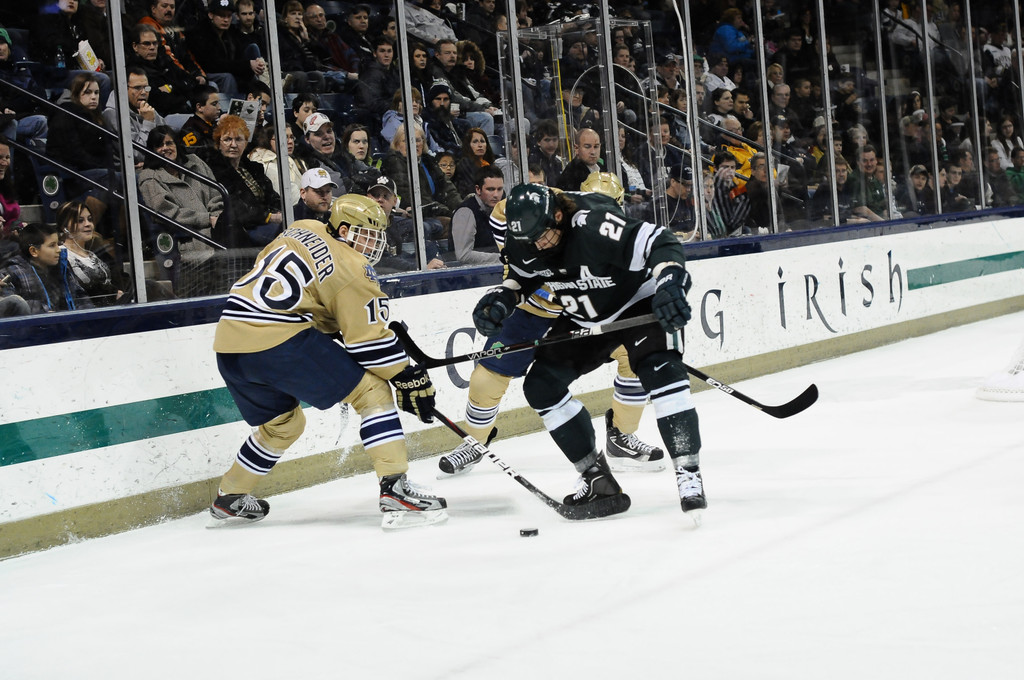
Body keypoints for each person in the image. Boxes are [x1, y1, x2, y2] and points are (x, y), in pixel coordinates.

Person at [466, 183, 705, 520]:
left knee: (660, 370)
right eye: (530, 239)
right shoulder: (524, 238)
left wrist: (669, 283)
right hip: (583, 315)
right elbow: (524, 277)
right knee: (541, 386)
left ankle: (688, 474)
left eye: (543, 235)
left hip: (637, 304)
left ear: (559, 215)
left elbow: (660, 241)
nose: (537, 244)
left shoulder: (594, 223)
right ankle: (596, 479)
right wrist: (502, 299)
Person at [208, 194, 447, 529]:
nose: (375, 243)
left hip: (230, 343)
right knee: (373, 393)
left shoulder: (303, 227)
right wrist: (406, 375)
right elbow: (368, 345)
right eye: (368, 234)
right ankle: (395, 486)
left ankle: (230, 495)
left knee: (283, 425)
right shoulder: (353, 268)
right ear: (345, 230)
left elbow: (291, 283)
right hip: (280, 342)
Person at [437, 178, 668, 479]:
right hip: (529, 310)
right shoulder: (516, 212)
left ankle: (621, 435)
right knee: (487, 378)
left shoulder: (611, 228)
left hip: (583, 310)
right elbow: (517, 260)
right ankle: (474, 441)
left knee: (633, 357)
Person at [138, 125, 224, 293]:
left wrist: (217, 215)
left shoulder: (195, 162)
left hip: (216, 226)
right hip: (187, 237)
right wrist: (207, 219)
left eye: (169, 143)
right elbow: (167, 213)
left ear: (177, 144)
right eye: (159, 145)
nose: (165, 149)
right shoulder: (149, 176)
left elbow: (216, 193)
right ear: (152, 150)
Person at [207, 115, 282, 247]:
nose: (233, 145)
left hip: (269, 221)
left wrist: (281, 211)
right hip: (245, 228)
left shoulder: (252, 168)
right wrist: (270, 217)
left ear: (246, 143)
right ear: (218, 144)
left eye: (239, 139)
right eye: (227, 139)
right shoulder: (215, 171)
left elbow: (272, 194)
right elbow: (236, 208)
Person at [0, 222, 93, 314]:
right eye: (52, 245)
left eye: (58, 243)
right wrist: (46, 314)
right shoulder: (11, 272)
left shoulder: (62, 267)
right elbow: (14, 309)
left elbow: (80, 297)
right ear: (34, 251)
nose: (58, 249)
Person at [56, 200, 122, 305]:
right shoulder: (60, 254)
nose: (88, 224)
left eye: (90, 219)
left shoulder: (95, 253)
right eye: (80, 220)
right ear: (64, 228)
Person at [103, 66, 166, 167]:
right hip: (129, 173)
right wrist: (148, 123)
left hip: (154, 163)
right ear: (123, 89)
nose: (144, 92)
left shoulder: (145, 108)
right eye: (137, 88)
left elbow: (166, 137)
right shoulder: (112, 114)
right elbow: (138, 155)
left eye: (146, 87)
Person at [450, 165, 502, 265]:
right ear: (478, 189)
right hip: (470, 277)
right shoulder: (465, 212)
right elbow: (463, 255)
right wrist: (501, 258)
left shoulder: (500, 208)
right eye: (490, 189)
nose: (496, 195)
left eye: (499, 189)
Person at [453, 127, 495, 198]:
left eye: (482, 141)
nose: (480, 145)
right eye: (475, 142)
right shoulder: (464, 163)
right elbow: (473, 188)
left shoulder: (490, 164)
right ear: (468, 145)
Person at [179, 85, 221, 155]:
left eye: (218, 103)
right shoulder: (190, 130)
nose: (219, 107)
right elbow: (195, 158)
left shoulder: (213, 123)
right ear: (199, 107)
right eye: (214, 104)